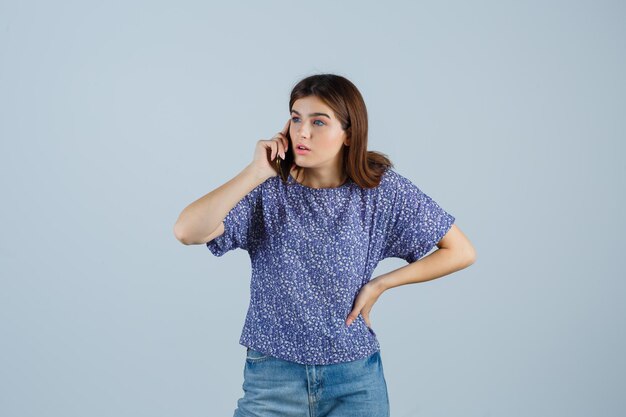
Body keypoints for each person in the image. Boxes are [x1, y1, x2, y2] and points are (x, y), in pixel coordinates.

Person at [174, 73, 476, 417]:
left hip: (354, 380)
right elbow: (187, 231)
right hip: (273, 377)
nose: (302, 132)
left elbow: (461, 251)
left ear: (349, 134)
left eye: (319, 122)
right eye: (296, 118)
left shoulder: (379, 191)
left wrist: (381, 284)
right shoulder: (269, 189)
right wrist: (256, 172)